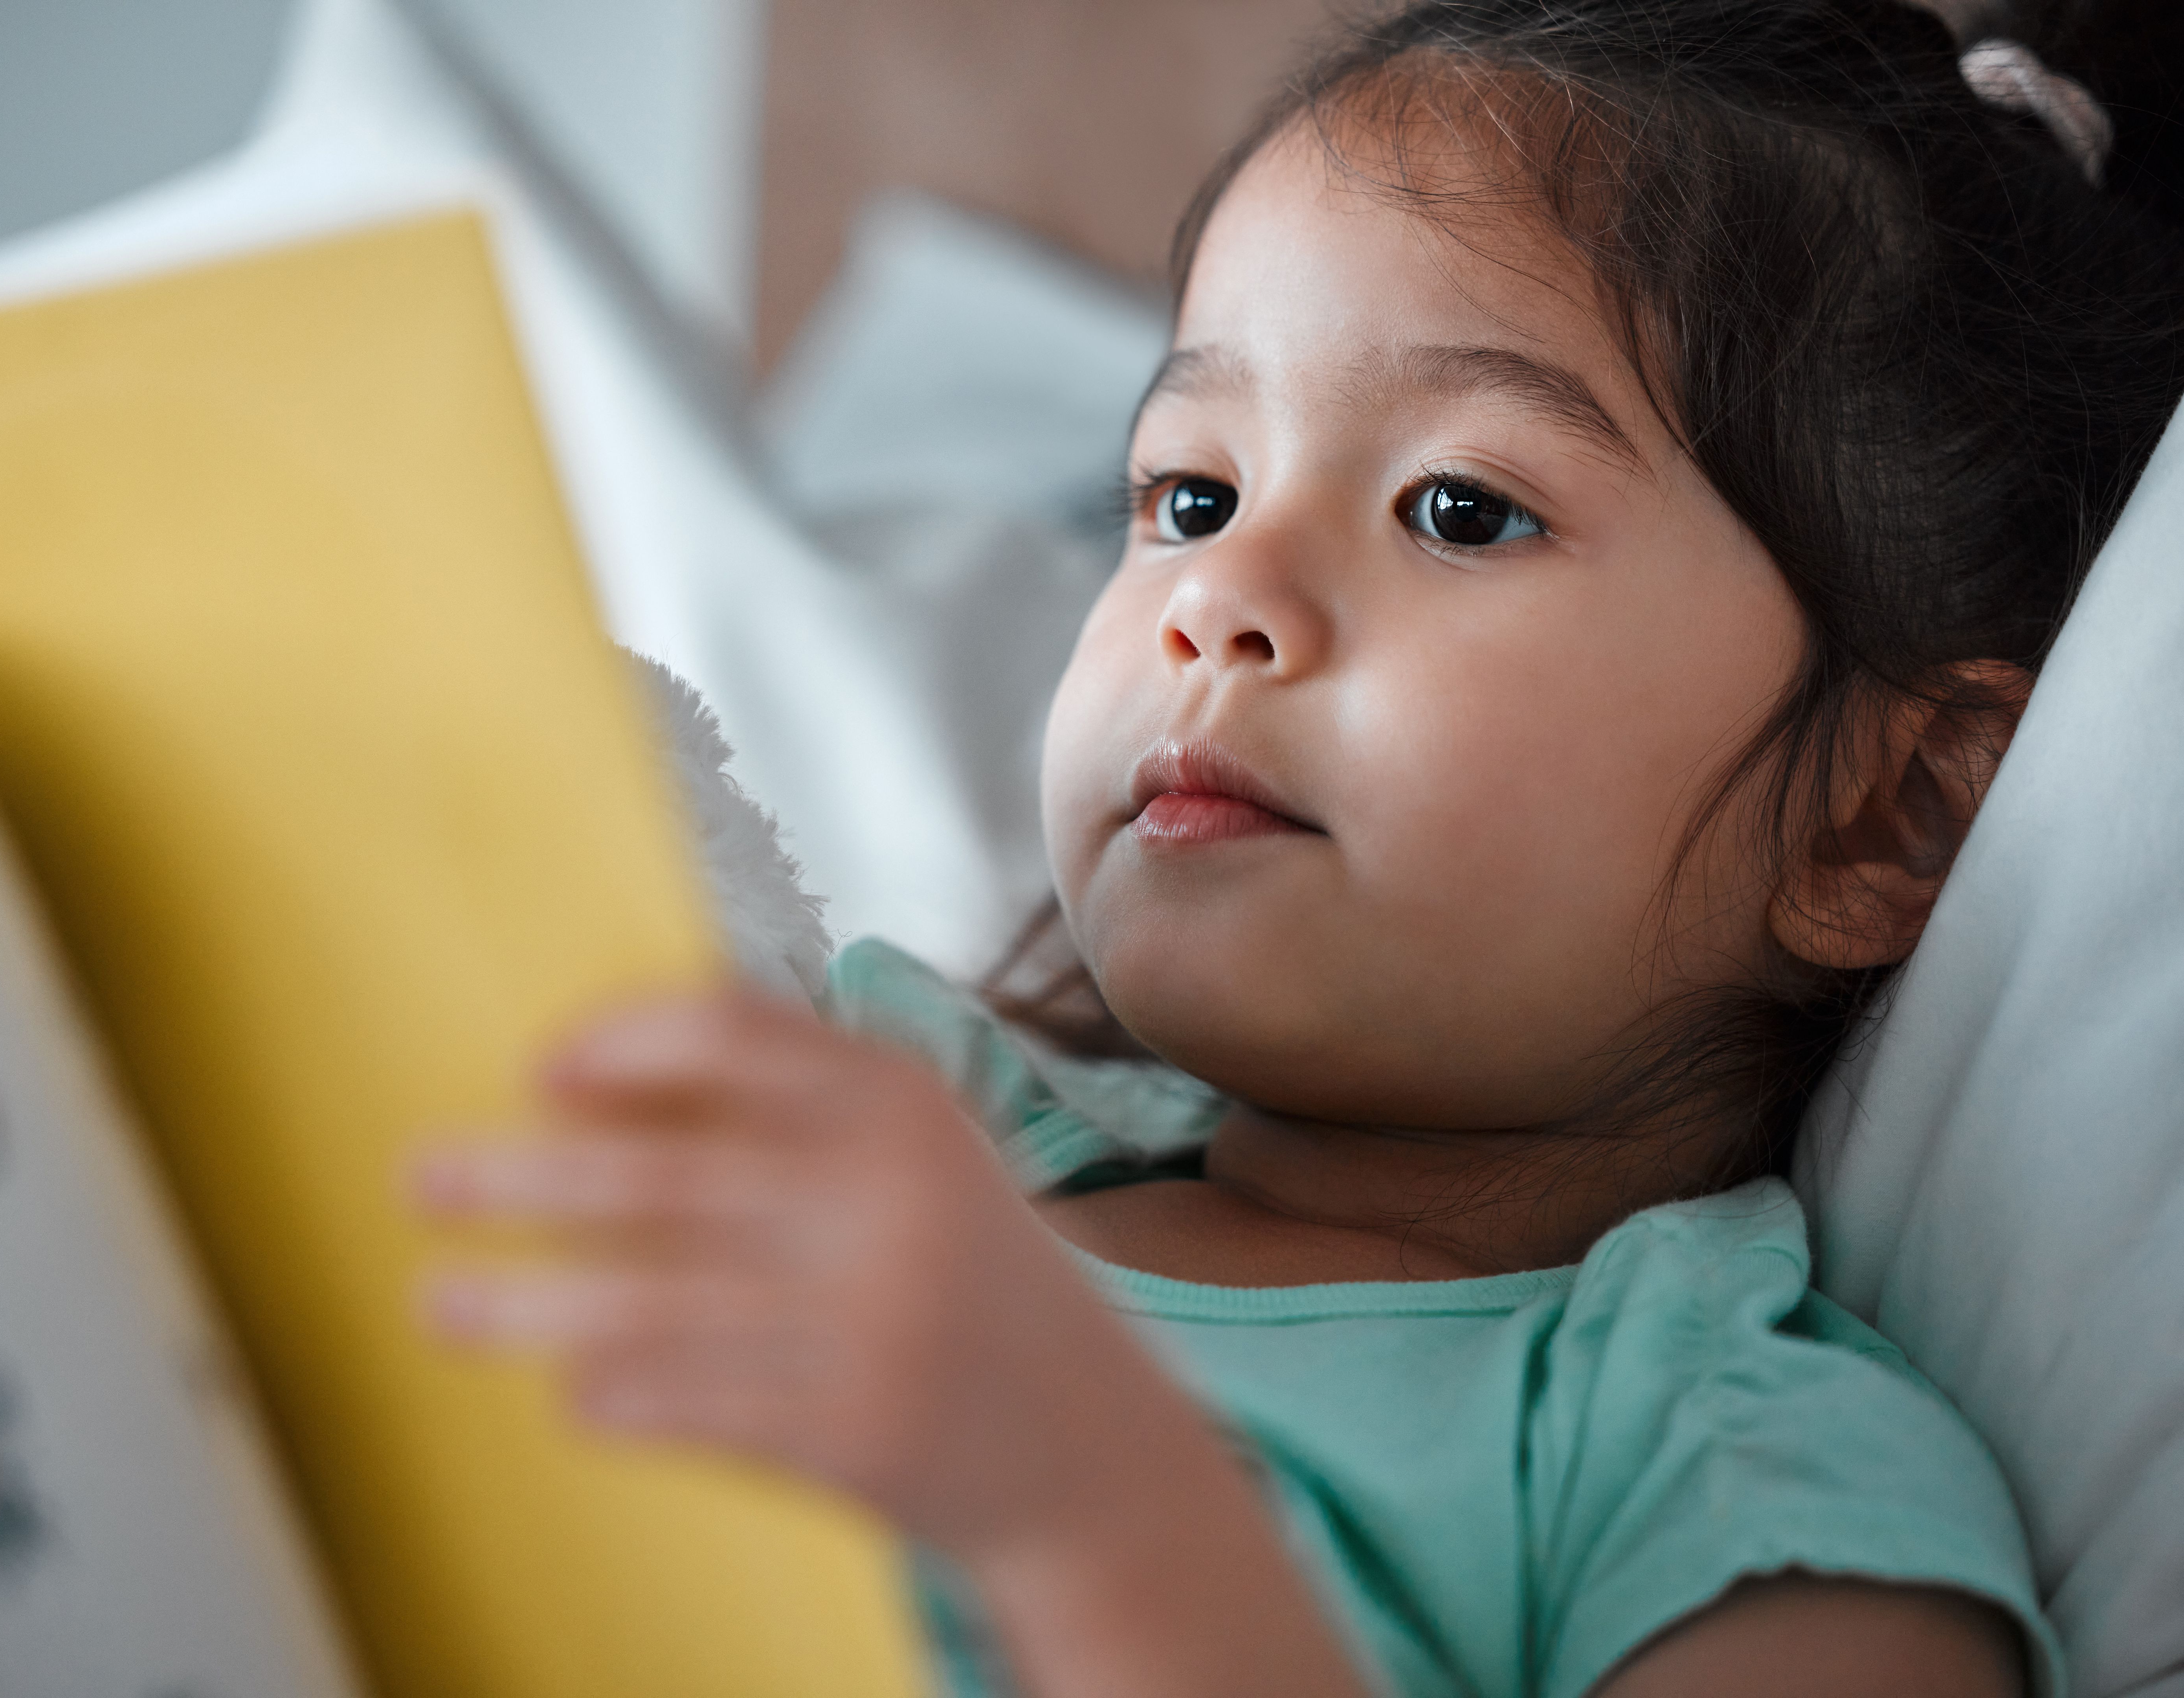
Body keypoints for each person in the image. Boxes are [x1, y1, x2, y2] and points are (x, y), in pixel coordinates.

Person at [411, 2, 2184, 1692]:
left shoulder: (1727, 1473)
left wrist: (1090, 1514)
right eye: (1191, 495)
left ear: (1891, 815)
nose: (1219, 600)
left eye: (1460, 510)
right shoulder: (875, 1099)